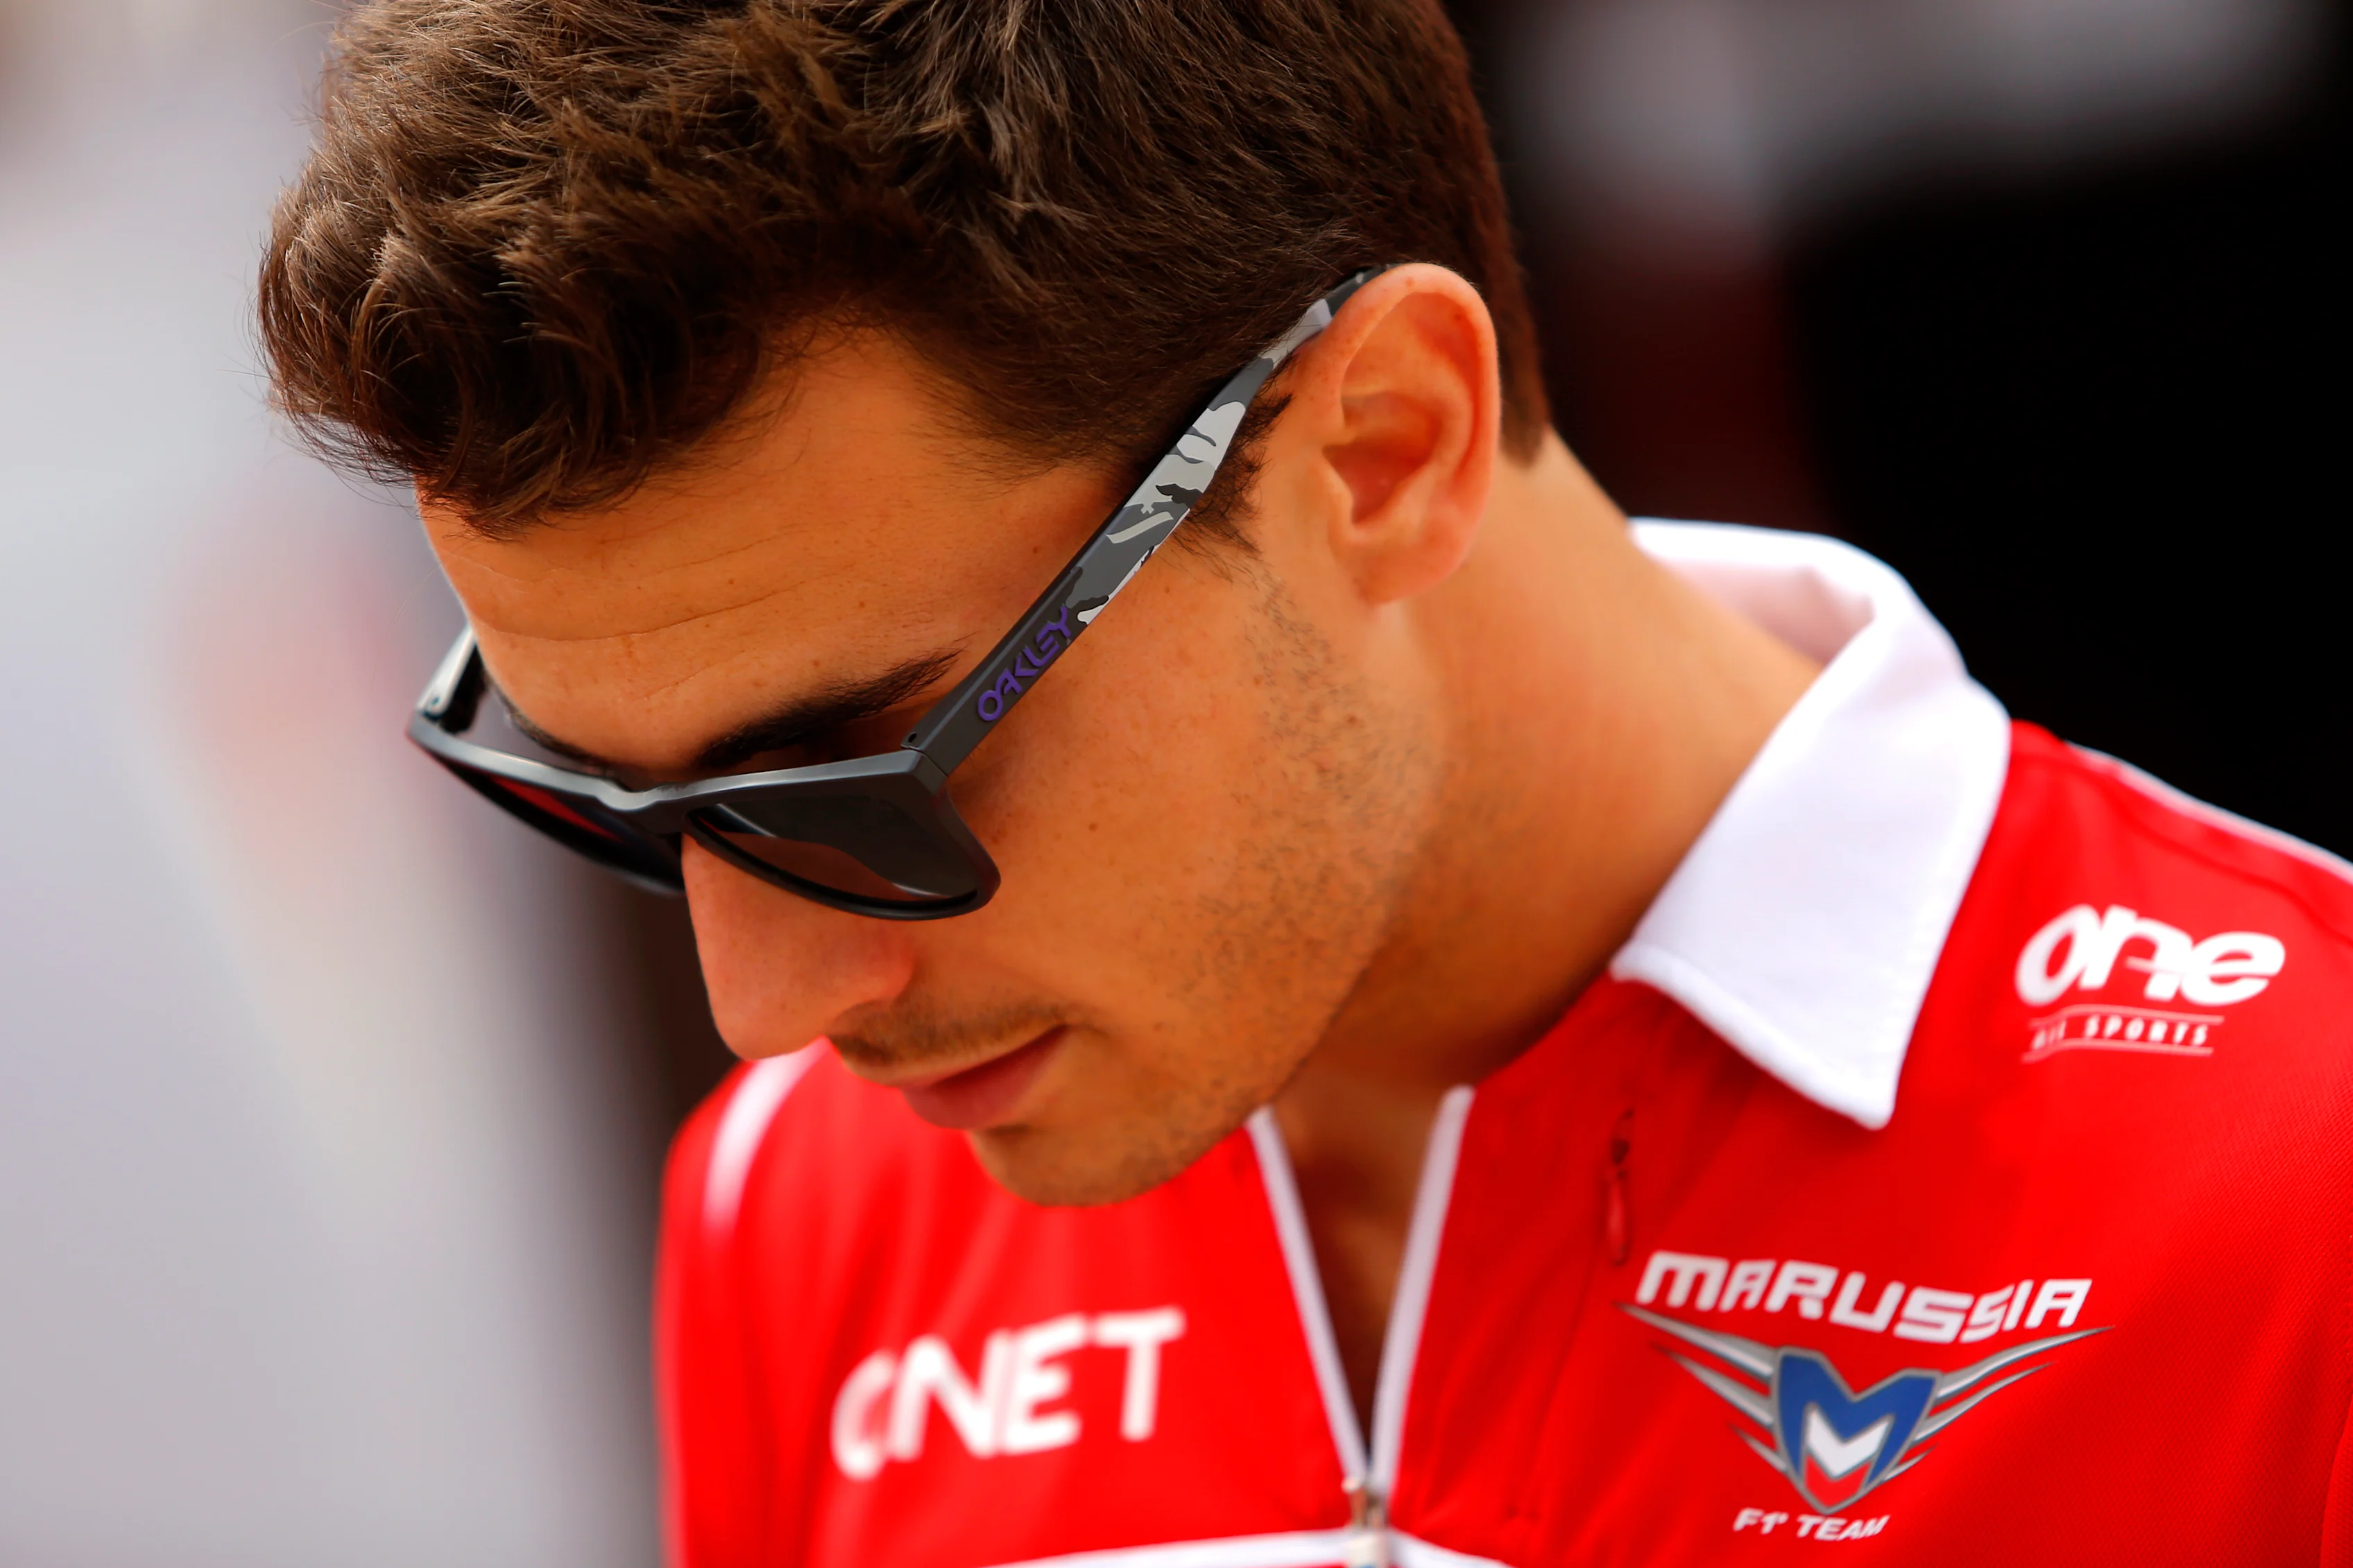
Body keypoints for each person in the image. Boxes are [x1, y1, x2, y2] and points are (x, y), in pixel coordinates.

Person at [257, 3, 2353, 1563]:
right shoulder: (801, 1210)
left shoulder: (2300, 1191)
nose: (769, 1004)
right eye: (608, 801)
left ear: (1384, 447)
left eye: (856, 769)